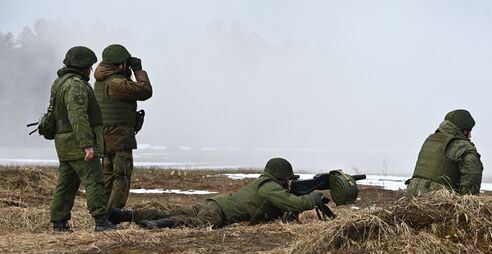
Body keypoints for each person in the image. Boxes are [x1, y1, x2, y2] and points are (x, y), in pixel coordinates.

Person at [109, 158, 326, 229]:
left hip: (215, 203)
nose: (290, 182)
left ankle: (127, 215)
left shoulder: (265, 183)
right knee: (189, 222)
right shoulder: (270, 188)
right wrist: (312, 199)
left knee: (177, 209)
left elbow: (282, 209)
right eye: (288, 178)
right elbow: (293, 203)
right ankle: (160, 224)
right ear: (281, 177)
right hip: (219, 213)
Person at [49, 46, 115, 232]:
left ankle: (59, 223)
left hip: (64, 143)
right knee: (94, 180)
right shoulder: (76, 85)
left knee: (66, 184)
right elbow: (78, 116)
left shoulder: (60, 82)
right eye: (89, 65)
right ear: (82, 66)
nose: (91, 69)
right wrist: (87, 145)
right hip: (77, 143)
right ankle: (101, 222)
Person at [94, 44, 153, 209]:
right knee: (121, 176)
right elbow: (145, 91)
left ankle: (102, 213)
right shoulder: (116, 83)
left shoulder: (101, 81)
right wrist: (138, 70)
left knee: (107, 176)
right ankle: (113, 214)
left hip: (105, 135)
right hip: (118, 136)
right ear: (120, 63)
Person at [406, 109, 483, 196]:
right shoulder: (463, 146)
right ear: (465, 131)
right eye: (470, 131)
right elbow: (472, 178)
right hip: (437, 199)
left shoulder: (431, 139)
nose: (470, 136)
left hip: (411, 195)